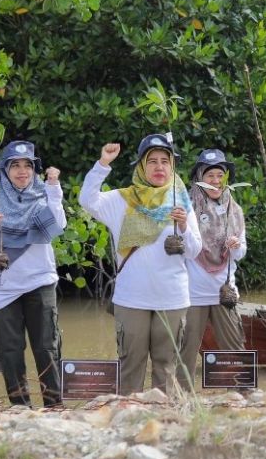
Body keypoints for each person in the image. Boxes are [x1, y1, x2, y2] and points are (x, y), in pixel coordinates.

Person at [80, 134, 201, 395]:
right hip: (132, 299)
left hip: (172, 299)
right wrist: (103, 164)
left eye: (165, 161)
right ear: (141, 166)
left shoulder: (181, 201)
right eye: (152, 161)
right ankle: (129, 422)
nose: (159, 167)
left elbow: (194, 251)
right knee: (130, 368)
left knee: (166, 368)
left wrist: (183, 227)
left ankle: (165, 426)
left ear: (172, 167)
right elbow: (87, 200)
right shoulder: (121, 200)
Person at [0, 141, 66, 407]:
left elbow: (58, 225)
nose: (22, 171)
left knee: (46, 347)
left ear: (34, 170)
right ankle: (20, 408)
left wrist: (53, 188)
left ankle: (54, 405)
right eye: (15, 165)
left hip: (40, 282)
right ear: (4, 171)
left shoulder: (44, 197)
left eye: (27, 165)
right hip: (3, 289)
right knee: (10, 351)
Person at [176, 148, 247, 390]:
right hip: (192, 293)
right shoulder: (185, 207)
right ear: (199, 177)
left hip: (224, 292)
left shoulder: (234, 210)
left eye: (220, 175)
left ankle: (242, 396)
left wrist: (235, 246)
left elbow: (241, 253)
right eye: (210, 176)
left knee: (235, 347)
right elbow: (181, 248)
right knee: (186, 349)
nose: (215, 181)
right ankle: (180, 398)